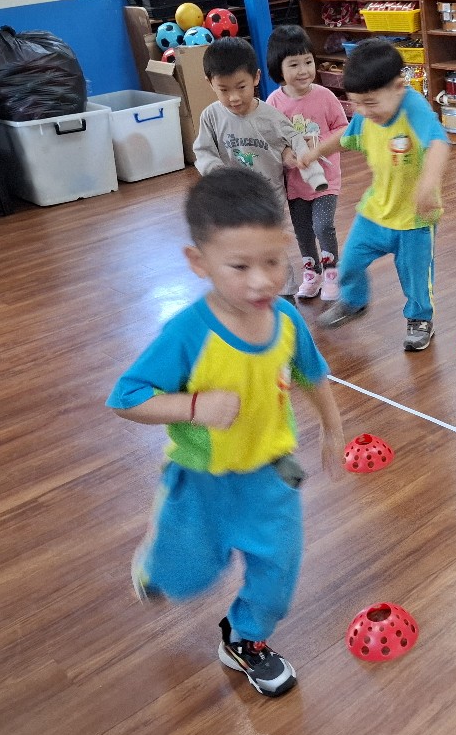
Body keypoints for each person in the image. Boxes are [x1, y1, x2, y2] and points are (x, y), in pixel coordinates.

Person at [107, 167, 345, 698]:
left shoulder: (287, 321)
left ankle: (244, 639)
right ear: (199, 262)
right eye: (239, 266)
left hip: (271, 479)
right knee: (186, 578)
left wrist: (333, 427)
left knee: (279, 574)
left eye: (273, 261)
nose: (261, 281)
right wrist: (194, 406)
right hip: (203, 481)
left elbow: (312, 373)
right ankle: (158, 558)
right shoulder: (187, 333)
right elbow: (126, 398)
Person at [300, 39, 450, 352]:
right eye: (357, 104)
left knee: (416, 277)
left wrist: (428, 184)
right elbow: (346, 135)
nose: (363, 112)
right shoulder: (368, 114)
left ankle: (420, 320)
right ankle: (354, 302)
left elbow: (438, 143)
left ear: (398, 87)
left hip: (415, 219)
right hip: (375, 212)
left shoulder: (413, 109)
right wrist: (316, 151)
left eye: (370, 103)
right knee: (350, 262)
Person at [192, 36, 328, 300]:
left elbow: (296, 143)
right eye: (223, 89)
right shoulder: (211, 116)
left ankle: (285, 295)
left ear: (255, 78)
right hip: (231, 200)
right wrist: (217, 172)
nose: (233, 98)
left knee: (270, 247)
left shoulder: (271, 117)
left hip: (268, 198)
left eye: (241, 87)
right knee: (238, 248)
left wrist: (310, 171)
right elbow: (204, 151)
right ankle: (245, 294)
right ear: (210, 83)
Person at [265, 25, 349, 302]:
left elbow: (344, 130)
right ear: (278, 68)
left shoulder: (325, 96)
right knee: (302, 231)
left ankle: (332, 274)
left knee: (323, 226)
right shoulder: (273, 103)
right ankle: (312, 274)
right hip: (295, 184)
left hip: (326, 179)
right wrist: (285, 155)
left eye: (308, 62)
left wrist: (319, 145)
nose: (303, 70)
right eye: (294, 64)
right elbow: (270, 141)